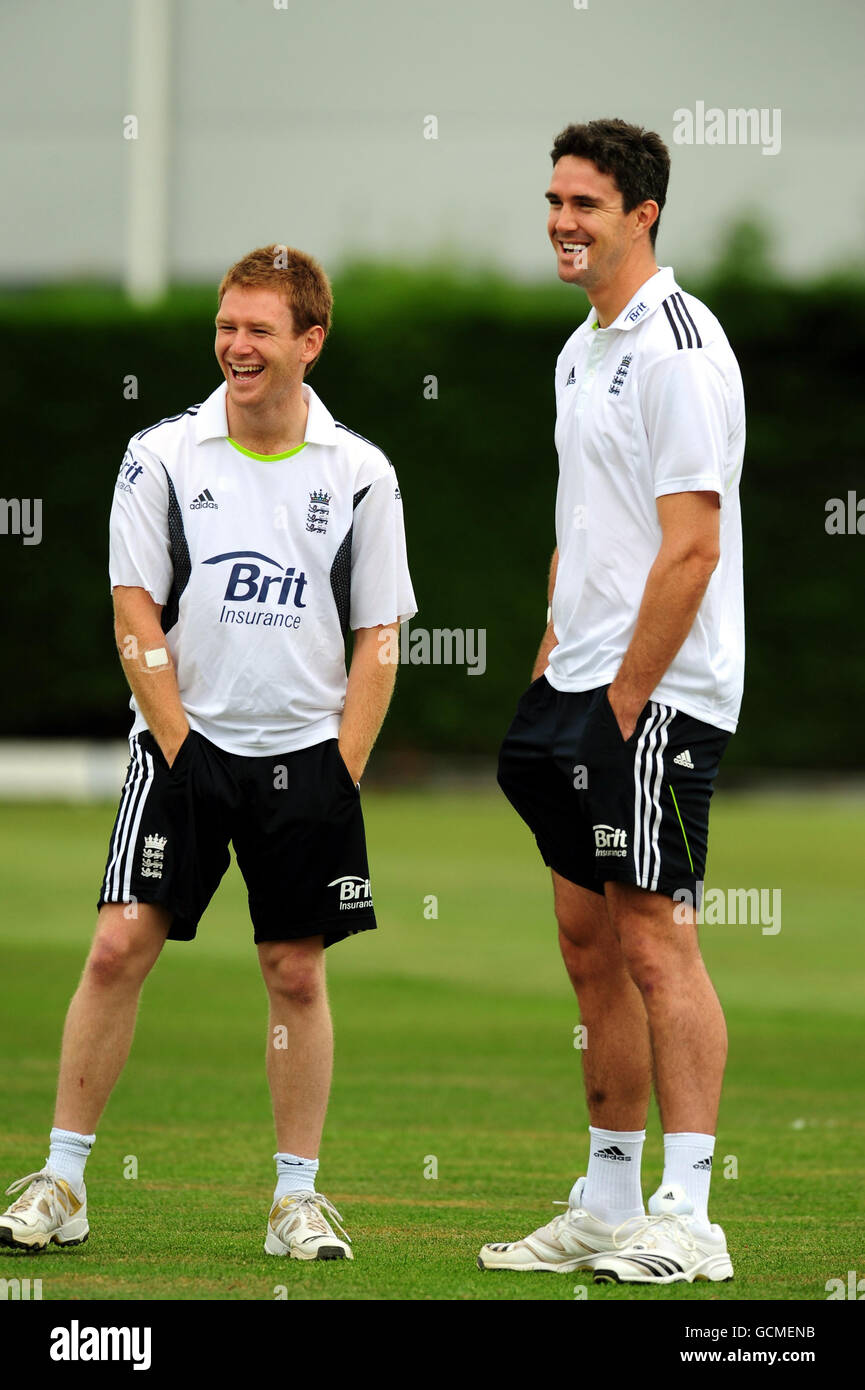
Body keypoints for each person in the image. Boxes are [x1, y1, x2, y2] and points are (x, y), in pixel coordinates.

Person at [0, 245, 416, 1262]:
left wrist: (342, 765)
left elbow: (380, 636)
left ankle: (295, 1201)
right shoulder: (163, 454)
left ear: (309, 342)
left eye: (259, 329)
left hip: (305, 757)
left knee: (295, 975)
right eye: (227, 325)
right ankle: (63, 1180)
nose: (236, 345)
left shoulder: (359, 472)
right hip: (183, 749)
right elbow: (132, 607)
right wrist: (179, 741)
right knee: (115, 947)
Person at [478, 120, 745, 1284]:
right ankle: (606, 1198)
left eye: (583, 203)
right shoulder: (578, 350)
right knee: (586, 942)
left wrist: (625, 699)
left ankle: (690, 1218)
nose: (560, 222)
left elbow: (691, 547)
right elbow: (583, 528)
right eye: (552, 200)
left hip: (658, 694)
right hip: (575, 684)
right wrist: (552, 656)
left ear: (642, 213)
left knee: (654, 938)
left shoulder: (680, 346)